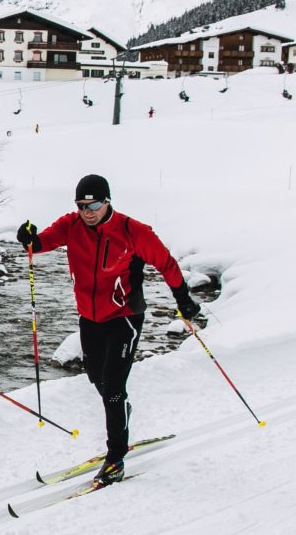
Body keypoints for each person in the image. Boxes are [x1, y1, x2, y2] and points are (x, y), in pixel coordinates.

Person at [16, 174, 202, 487]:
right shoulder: (71, 225)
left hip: (124, 316)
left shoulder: (133, 231)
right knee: (95, 376)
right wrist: (28, 238)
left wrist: (183, 298)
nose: (88, 211)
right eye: (82, 205)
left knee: (114, 387)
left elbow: (165, 262)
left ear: (108, 201)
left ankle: (115, 457)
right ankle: (121, 409)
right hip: (90, 317)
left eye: (95, 204)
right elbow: (41, 243)